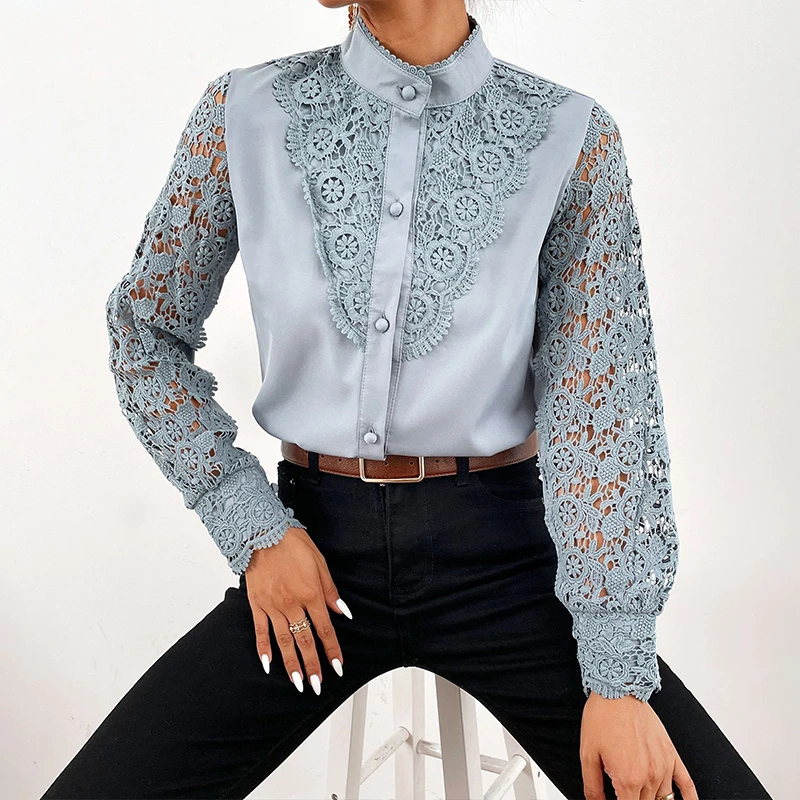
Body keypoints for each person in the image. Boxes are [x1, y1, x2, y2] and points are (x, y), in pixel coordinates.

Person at [41, 2, 774, 799]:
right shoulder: (242, 113)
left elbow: (601, 415)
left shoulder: (570, 138)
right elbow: (144, 331)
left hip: (507, 565)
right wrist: (253, 530)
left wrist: (618, 678)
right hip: (310, 565)